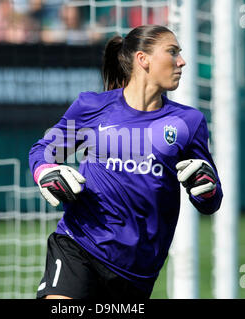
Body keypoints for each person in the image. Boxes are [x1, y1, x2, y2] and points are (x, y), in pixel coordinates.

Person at [28, 24, 223, 299]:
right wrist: (47, 172)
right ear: (143, 59)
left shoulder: (189, 122)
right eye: (172, 52)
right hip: (80, 243)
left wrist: (207, 187)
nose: (182, 61)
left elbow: (210, 201)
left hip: (137, 270)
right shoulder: (92, 107)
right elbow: (43, 152)